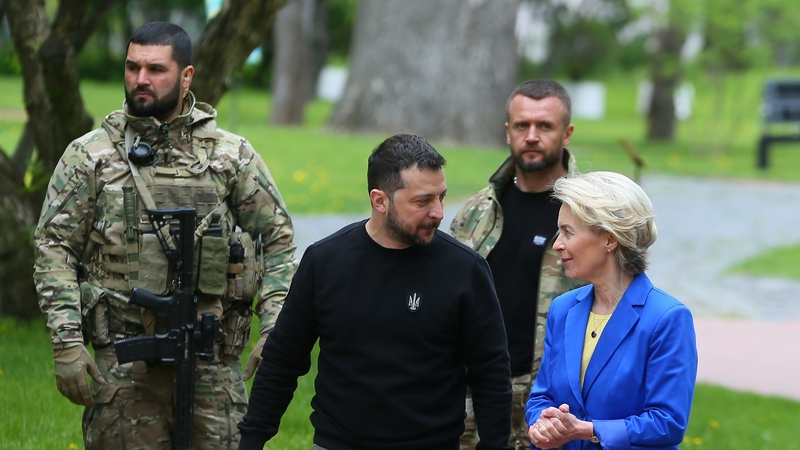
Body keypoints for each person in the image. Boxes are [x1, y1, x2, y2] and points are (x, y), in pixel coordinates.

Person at [32, 21, 296, 449]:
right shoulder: (91, 155)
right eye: (133, 67)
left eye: (156, 69)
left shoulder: (232, 156)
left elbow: (279, 240)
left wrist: (274, 331)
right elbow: (53, 248)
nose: (141, 79)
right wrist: (66, 343)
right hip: (124, 364)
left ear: (186, 75)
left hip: (213, 364)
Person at [238, 134, 514, 450]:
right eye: (423, 201)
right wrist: (252, 440)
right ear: (380, 200)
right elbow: (282, 360)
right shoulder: (326, 262)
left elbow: (491, 373)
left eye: (442, 197)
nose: (438, 212)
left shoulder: (464, 269)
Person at [449, 79, 585, 450]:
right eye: (522, 126)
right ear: (508, 132)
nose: (532, 136)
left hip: (553, 400)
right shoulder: (477, 211)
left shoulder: (592, 214)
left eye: (545, 126)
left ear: (567, 133)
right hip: (472, 392)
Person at [526, 171, 698, 450]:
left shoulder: (667, 318)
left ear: (609, 239)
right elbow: (541, 398)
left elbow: (667, 422)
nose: (557, 244)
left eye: (568, 232)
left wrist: (589, 430)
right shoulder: (563, 309)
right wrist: (544, 424)